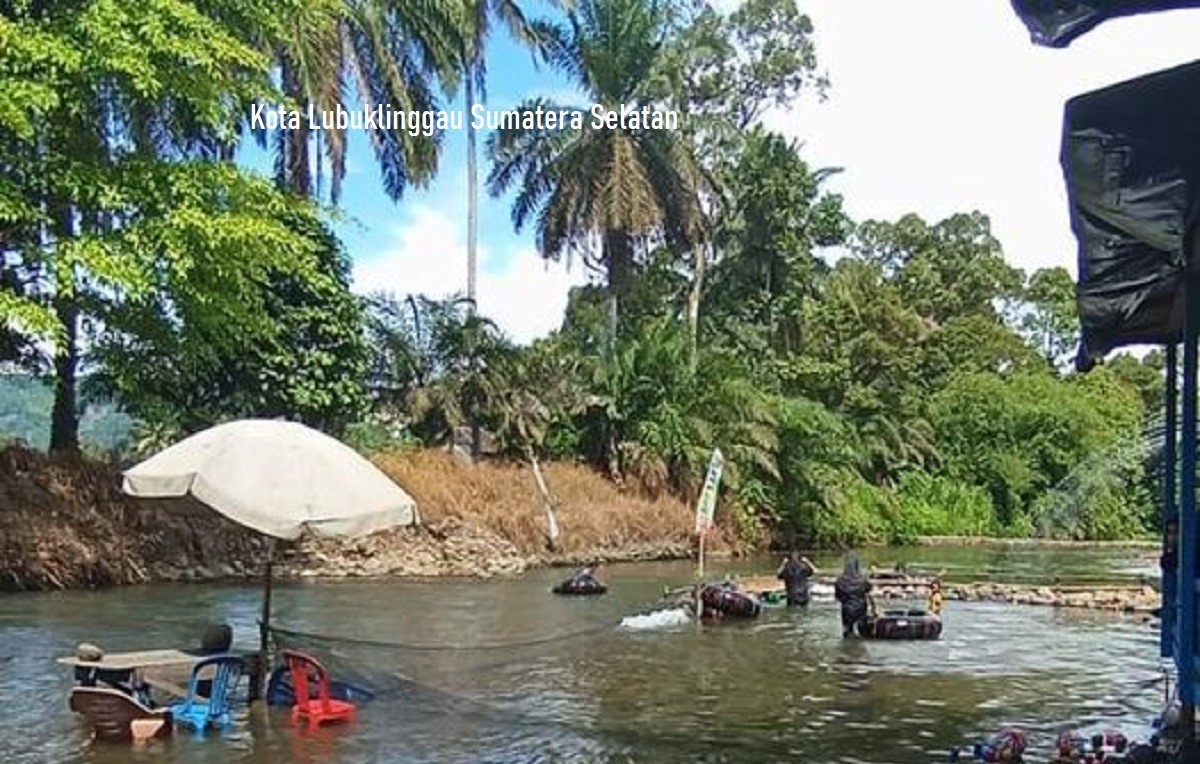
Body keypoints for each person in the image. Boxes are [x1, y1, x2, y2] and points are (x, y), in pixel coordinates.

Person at [834, 551, 872, 637]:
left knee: (847, 632)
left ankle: (848, 648)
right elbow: (869, 589)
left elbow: (837, 596)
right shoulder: (862, 579)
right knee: (863, 633)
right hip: (861, 608)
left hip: (847, 609)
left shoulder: (840, 580)